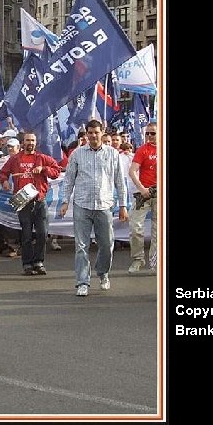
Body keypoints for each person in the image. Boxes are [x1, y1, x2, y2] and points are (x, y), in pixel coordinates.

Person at [60, 119, 128, 296]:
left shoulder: (113, 154)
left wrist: (123, 205)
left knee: (106, 245)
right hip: (82, 204)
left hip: (104, 205)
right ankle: (83, 282)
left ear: (102, 132)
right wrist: (65, 201)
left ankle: (103, 273)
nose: (93, 135)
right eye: (90, 132)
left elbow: (120, 181)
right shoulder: (77, 154)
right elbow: (68, 180)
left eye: (96, 132)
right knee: (81, 245)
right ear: (86, 134)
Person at [0, 131, 61, 276]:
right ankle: (27, 264)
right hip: (23, 202)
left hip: (39, 200)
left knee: (42, 233)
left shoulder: (42, 158)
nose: (30, 143)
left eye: (32, 140)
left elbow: (56, 171)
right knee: (26, 235)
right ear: (23, 142)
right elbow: (3, 173)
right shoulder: (15, 159)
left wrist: (44, 169)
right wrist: (5, 181)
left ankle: (38, 262)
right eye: (28, 140)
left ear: (36, 142)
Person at [128, 123, 158, 274]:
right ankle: (138, 259)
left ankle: (155, 262)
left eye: (153, 133)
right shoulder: (143, 149)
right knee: (135, 227)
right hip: (143, 193)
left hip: (160, 194)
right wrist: (142, 189)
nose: (150, 136)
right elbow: (132, 171)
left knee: (157, 230)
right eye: (147, 133)